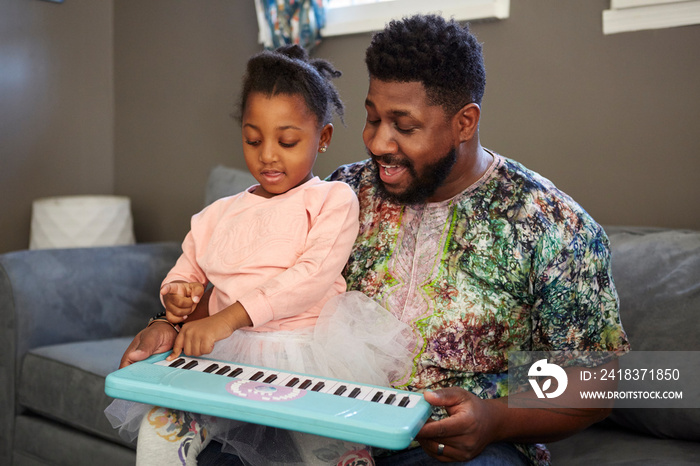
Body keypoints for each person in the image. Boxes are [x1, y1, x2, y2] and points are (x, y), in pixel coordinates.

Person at [119, 15, 629, 466]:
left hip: (450, 448)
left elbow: (600, 384)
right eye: (371, 117)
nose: (378, 142)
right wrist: (169, 320)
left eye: (403, 126)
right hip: (318, 418)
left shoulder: (549, 224)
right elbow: (251, 277)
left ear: (464, 122)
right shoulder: (342, 190)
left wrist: (495, 419)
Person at [106, 44, 413, 466]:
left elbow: (312, 275)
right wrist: (175, 297)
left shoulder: (331, 199)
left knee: (334, 448)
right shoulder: (217, 213)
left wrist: (226, 318)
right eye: (253, 139)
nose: (267, 154)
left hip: (306, 356)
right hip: (227, 353)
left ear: (322, 138)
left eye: (287, 141)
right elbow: (188, 268)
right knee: (159, 427)